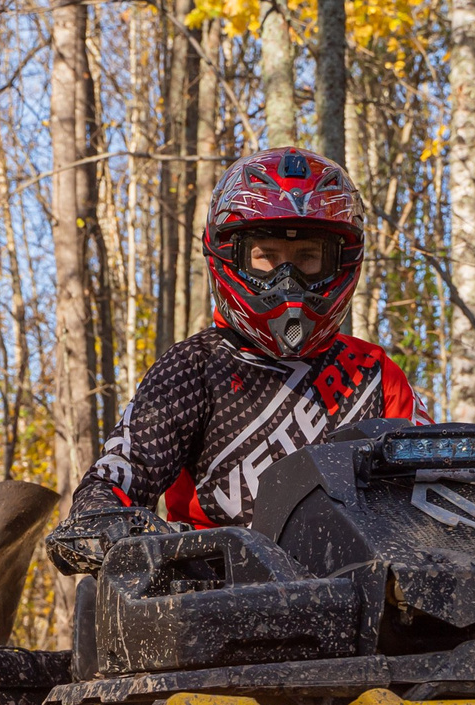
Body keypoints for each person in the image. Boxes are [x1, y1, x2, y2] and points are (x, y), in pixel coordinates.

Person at [64, 146, 415, 536]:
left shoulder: (375, 374)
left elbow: (434, 484)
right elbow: (122, 473)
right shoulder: (194, 366)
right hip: (214, 582)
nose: (288, 280)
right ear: (230, 257)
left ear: (339, 261)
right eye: (266, 257)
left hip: (357, 584)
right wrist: (99, 516)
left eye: (307, 257)